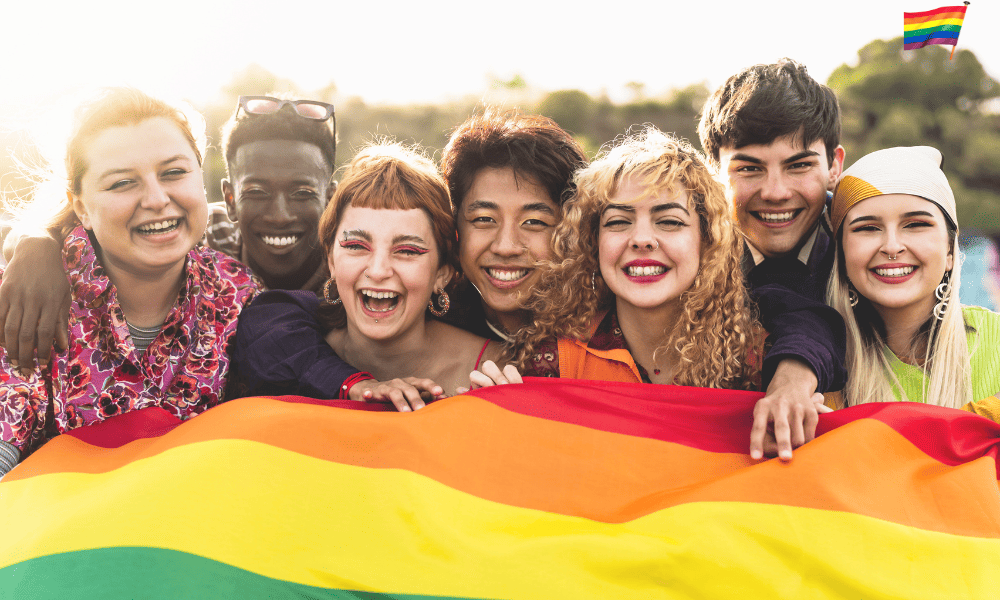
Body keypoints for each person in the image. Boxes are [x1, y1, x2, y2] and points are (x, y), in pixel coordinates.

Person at [0, 88, 259, 477]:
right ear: (82, 207)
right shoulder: (29, 293)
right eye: (123, 183)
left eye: (174, 173)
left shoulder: (238, 292)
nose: (156, 199)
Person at [229, 142, 505, 411]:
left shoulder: (499, 368)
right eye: (356, 247)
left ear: (442, 273)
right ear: (331, 260)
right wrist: (354, 385)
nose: (378, 270)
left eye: (407, 251)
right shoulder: (290, 342)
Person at [498, 127, 762, 391]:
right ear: (593, 242)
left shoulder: (759, 361)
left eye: (669, 221)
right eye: (619, 222)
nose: (641, 239)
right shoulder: (556, 360)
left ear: (708, 240)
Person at [699, 58, 849, 458]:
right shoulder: (679, 257)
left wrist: (794, 378)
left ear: (835, 166)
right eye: (749, 169)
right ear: (713, 173)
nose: (776, 191)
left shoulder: (871, 249)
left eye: (798, 166)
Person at [826, 146, 1000, 419]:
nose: (892, 246)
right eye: (868, 228)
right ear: (841, 254)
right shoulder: (821, 368)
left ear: (950, 251)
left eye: (916, 224)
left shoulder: (996, 343)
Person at [210, 95, 337, 293]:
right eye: (257, 192)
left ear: (330, 201)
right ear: (230, 200)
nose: (280, 217)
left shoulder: (356, 264)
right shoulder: (203, 242)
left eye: (303, 193)